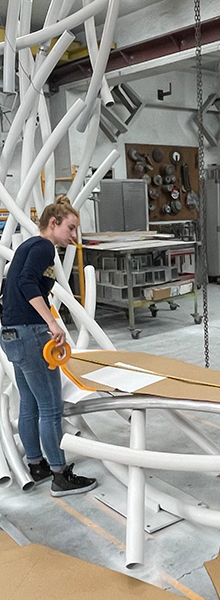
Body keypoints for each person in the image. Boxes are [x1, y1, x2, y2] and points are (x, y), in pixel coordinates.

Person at [0, 196, 97, 496]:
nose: (74, 236)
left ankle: (37, 464)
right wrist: (52, 323)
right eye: (70, 228)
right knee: (52, 407)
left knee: (29, 402)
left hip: (11, 332)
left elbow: (8, 286)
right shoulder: (43, 247)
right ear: (53, 223)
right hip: (30, 333)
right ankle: (59, 474)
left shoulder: (27, 246)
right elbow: (27, 283)